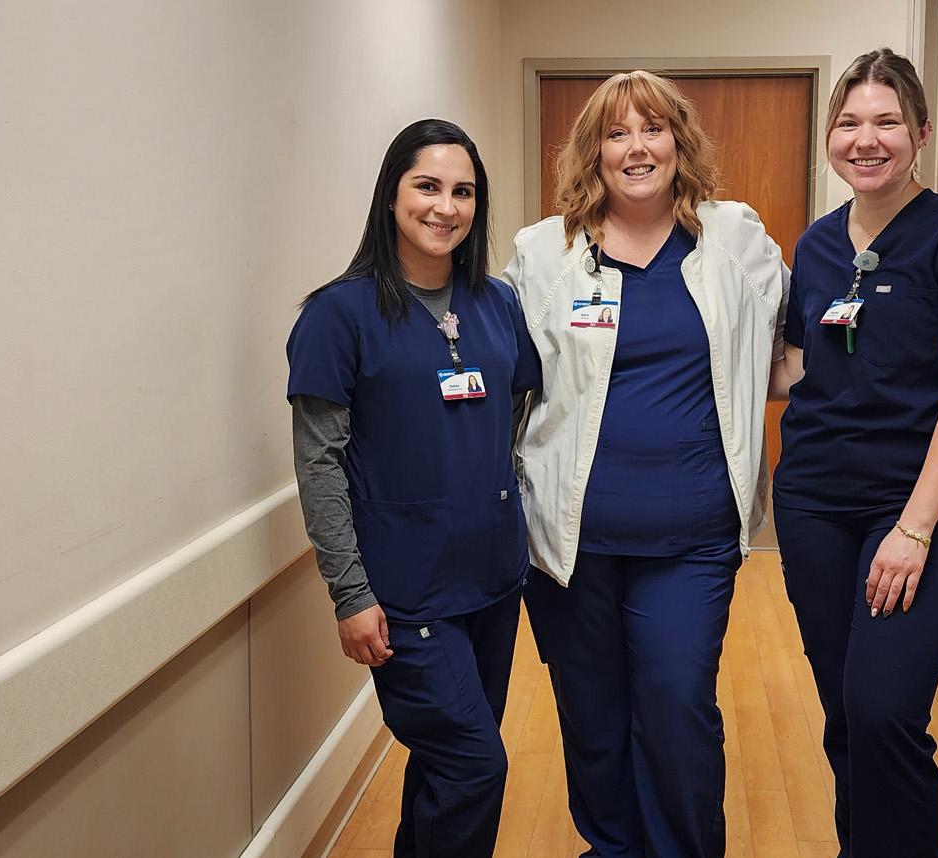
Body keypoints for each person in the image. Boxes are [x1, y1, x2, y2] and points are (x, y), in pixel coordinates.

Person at [504, 70, 789, 857]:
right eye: (616, 133)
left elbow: (787, 344)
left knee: (675, 704)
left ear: (679, 142)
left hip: (693, 536)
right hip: (569, 543)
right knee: (592, 718)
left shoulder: (733, 237)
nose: (637, 148)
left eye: (653, 129)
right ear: (592, 153)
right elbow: (503, 375)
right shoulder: (542, 252)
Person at [767, 48, 938, 858]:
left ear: (920, 132)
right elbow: (808, 364)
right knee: (848, 710)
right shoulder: (815, 247)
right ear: (830, 137)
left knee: (883, 707)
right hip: (813, 504)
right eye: (848, 123)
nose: (864, 139)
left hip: (920, 510)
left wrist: (911, 531)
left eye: (885, 122)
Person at [286, 118, 540, 857]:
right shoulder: (340, 314)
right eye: (427, 187)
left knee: (444, 764)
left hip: (493, 582)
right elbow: (319, 462)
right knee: (474, 765)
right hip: (406, 592)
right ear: (391, 196)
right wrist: (350, 592)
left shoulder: (495, 305)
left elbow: (521, 412)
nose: (445, 206)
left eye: (463, 191)